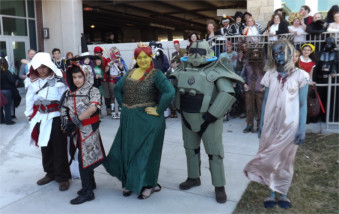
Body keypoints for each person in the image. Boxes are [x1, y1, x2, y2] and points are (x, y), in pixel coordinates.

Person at [170, 40, 243, 203]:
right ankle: (193, 177)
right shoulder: (183, 68)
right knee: (190, 149)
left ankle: (219, 186)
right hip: (187, 117)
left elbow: (228, 93)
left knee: (215, 153)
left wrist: (213, 114)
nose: (196, 55)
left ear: (208, 53)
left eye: (200, 52)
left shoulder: (216, 69)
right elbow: (174, 89)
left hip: (209, 119)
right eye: (193, 51)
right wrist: (177, 105)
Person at [103, 43, 175, 199]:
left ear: (150, 58)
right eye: (139, 57)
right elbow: (117, 89)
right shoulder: (130, 73)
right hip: (129, 120)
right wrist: (123, 104)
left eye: (145, 57)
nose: (142, 60)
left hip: (149, 121)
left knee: (146, 153)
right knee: (127, 151)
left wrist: (159, 110)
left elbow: (170, 92)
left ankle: (148, 184)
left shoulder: (156, 74)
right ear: (135, 58)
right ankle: (129, 182)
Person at [244, 39, 309, 209]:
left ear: (289, 53)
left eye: (282, 52)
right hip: (270, 125)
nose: (279, 56)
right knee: (269, 157)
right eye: (275, 53)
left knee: (286, 159)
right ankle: (272, 192)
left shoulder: (301, 76)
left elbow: (302, 104)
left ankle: (284, 193)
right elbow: (265, 100)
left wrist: (302, 128)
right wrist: (261, 123)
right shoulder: (270, 75)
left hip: (290, 125)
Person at [60, 63, 106, 204]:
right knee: (83, 157)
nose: (77, 80)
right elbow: (64, 108)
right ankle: (90, 183)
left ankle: (88, 192)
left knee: (84, 160)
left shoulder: (93, 91)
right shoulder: (69, 92)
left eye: (80, 76)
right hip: (76, 131)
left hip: (89, 129)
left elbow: (93, 108)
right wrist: (66, 123)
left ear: (86, 76)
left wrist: (75, 120)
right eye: (74, 77)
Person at [24, 52, 70, 191]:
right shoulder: (32, 81)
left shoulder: (59, 80)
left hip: (56, 117)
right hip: (40, 117)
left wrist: (65, 118)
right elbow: (30, 99)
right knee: (45, 146)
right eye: (39, 67)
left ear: (49, 66)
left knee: (59, 147)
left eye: (44, 67)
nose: (42, 70)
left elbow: (66, 99)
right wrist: (29, 115)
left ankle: (62, 177)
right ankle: (50, 173)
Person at [313, 37, 338, 122]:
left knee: (330, 99)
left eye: (331, 43)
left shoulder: (336, 54)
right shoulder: (319, 54)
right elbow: (315, 66)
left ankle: (328, 117)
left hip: (331, 80)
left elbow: (336, 64)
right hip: (319, 79)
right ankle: (316, 116)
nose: (329, 45)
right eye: (327, 43)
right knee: (318, 98)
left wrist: (334, 71)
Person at [242, 48, 265, 133]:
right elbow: (243, 76)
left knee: (260, 109)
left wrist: (265, 87)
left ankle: (260, 125)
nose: (255, 55)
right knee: (249, 108)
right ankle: (249, 125)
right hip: (249, 90)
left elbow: (269, 77)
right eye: (253, 53)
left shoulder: (264, 65)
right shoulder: (247, 65)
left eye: (257, 53)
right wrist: (244, 84)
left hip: (260, 90)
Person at [93, 46, 111, 116]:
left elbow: (106, 70)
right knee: (98, 96)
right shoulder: (92, 60)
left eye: (99, 52)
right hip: (96, 81)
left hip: (104, 79)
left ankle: (108, 108)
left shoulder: (104, 59)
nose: (98, 54)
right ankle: (99, 111)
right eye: (96, 52)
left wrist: (109, 64)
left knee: (106, 94)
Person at [0, 57, 16, 125]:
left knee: (0, 106)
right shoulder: (7, 72)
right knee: (7, 106)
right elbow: (12, 81)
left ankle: (1, 120)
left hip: (0, 90)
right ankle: (8, 120)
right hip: (7, 91)